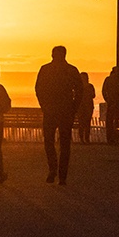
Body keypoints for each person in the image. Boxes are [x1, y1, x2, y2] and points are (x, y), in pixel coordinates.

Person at [35, 45, 81, 184]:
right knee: (64, 143)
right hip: (65, 111)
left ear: (52, 55)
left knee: (49, 141)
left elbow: (38, 89)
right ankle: (61, 175)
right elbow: (79, 91)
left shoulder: (46, 69)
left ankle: (53, 169)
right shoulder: (71, 70)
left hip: (51, 111)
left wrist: (44, 105)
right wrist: (73, 108)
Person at [102, 65, 119, 146]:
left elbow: (104, 91)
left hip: (111, 103)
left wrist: (107, 99)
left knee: (110, 121)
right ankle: (118, 138)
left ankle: (110, 139)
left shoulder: (108, 80)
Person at [76, 71, 96, 143]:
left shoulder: (79, 87)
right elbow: (93, 95)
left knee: (84, 123)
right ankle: (85, 138)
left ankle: (84, 138)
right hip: (86, 106)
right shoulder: (89, 86)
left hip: (84, 106)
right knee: (85, 123)